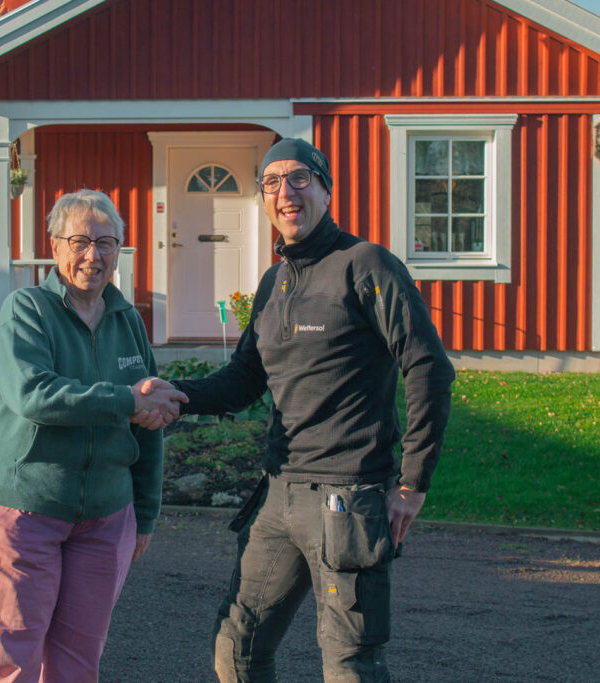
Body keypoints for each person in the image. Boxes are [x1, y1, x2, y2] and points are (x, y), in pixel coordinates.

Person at [160, 138, 455, 681]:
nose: (285, 192)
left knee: (349, 665)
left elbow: (428, 367)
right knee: (237, 647)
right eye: (271, 183)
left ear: (324, 188)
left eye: (299, 178)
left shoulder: (365, 265)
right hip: (278, 494)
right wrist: (173, 395)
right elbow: (244, 380)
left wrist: (412, 483)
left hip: (348, 498)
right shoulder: (274, 283)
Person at [0, 188, 187, 682]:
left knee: (78, 664)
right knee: (7, 663)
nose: (93, 255)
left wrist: (145, 513)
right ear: (55, 245)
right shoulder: (27, 310)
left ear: (120, 250)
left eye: (107, 242)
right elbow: (35, 396)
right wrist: (127, 399)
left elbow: (148, 429)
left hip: (105, 520)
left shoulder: (128, 321)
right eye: (79, 241)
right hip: (21, 512)